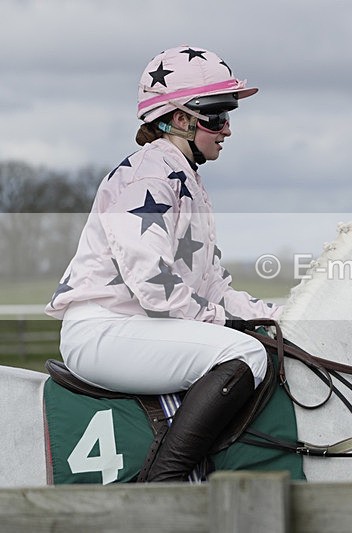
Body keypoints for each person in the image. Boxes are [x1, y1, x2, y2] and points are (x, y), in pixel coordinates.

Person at [45, 45, 279, 482]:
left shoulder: (183, 177)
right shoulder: (150, 177)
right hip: (105, 330)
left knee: (260, 342)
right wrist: (228, 325)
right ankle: (163, 485)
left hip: (137, 326)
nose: (227, 128)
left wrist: (282, 317)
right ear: (180, 119)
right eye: (217, 116)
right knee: (244, 353)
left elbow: (212, 287)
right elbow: (154, 284)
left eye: (229, 116)